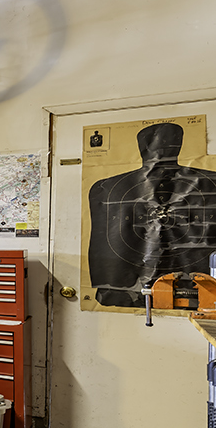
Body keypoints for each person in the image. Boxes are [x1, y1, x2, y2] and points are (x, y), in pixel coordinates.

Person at [87, 121, 216, 307]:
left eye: (168, 140)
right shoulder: (105, 188)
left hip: (197, 290)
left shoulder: (106, 188)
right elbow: (102, 245)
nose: (164, 147)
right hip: (131, 290)